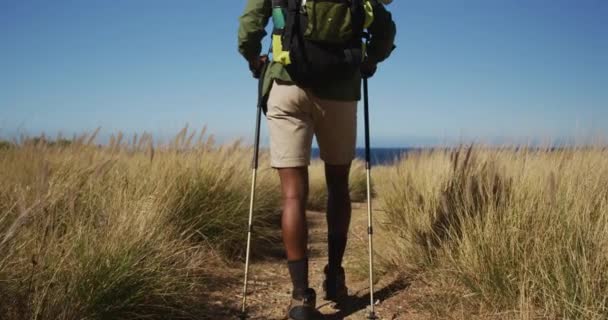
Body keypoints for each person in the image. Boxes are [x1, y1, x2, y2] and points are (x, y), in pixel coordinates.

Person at [238, 1, 395, 318]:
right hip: (340, 89)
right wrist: (370, 60)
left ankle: (300, 298)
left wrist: (255, 59)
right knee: (338, 187)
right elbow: (385, 30)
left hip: (286, 83)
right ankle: (335, 278)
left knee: (293, 195)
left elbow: (248, 28)